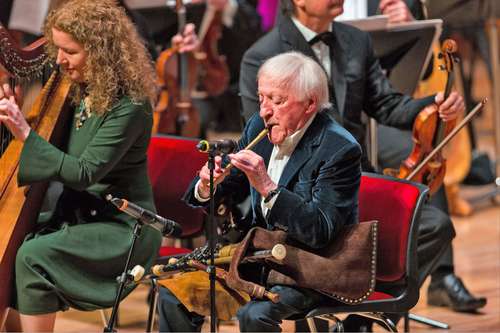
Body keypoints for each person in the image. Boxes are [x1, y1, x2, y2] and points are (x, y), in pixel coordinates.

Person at [239, 0, 485, 328]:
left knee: (434, 225)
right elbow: (263, 135)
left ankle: (370, 315)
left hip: (353, 176)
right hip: (303, 190)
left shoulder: (355, 40)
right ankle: (341, 295)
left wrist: (434, 106)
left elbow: (384, 104)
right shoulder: (263, 54)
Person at [0, 1, 195, 331]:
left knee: (32, 257)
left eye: (70, 52)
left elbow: (84, 173)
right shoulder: (78, 90)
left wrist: (25, 133)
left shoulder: (130, 105)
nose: (59, 60)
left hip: (123, 225)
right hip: (81, 213)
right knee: (18, 244)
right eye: (57, 49)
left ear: (101, 52)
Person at [157, 51, 362, 332]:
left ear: (310, 103)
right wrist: (207, 185)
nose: (265, 110)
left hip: (308, 268)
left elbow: (320, 231)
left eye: (278, 101)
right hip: (256, 257)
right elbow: (233, 186)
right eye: (262, 97)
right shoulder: (259, 124)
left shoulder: (339, 149)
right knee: (173, 295)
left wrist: (267, 187)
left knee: (254, 315)